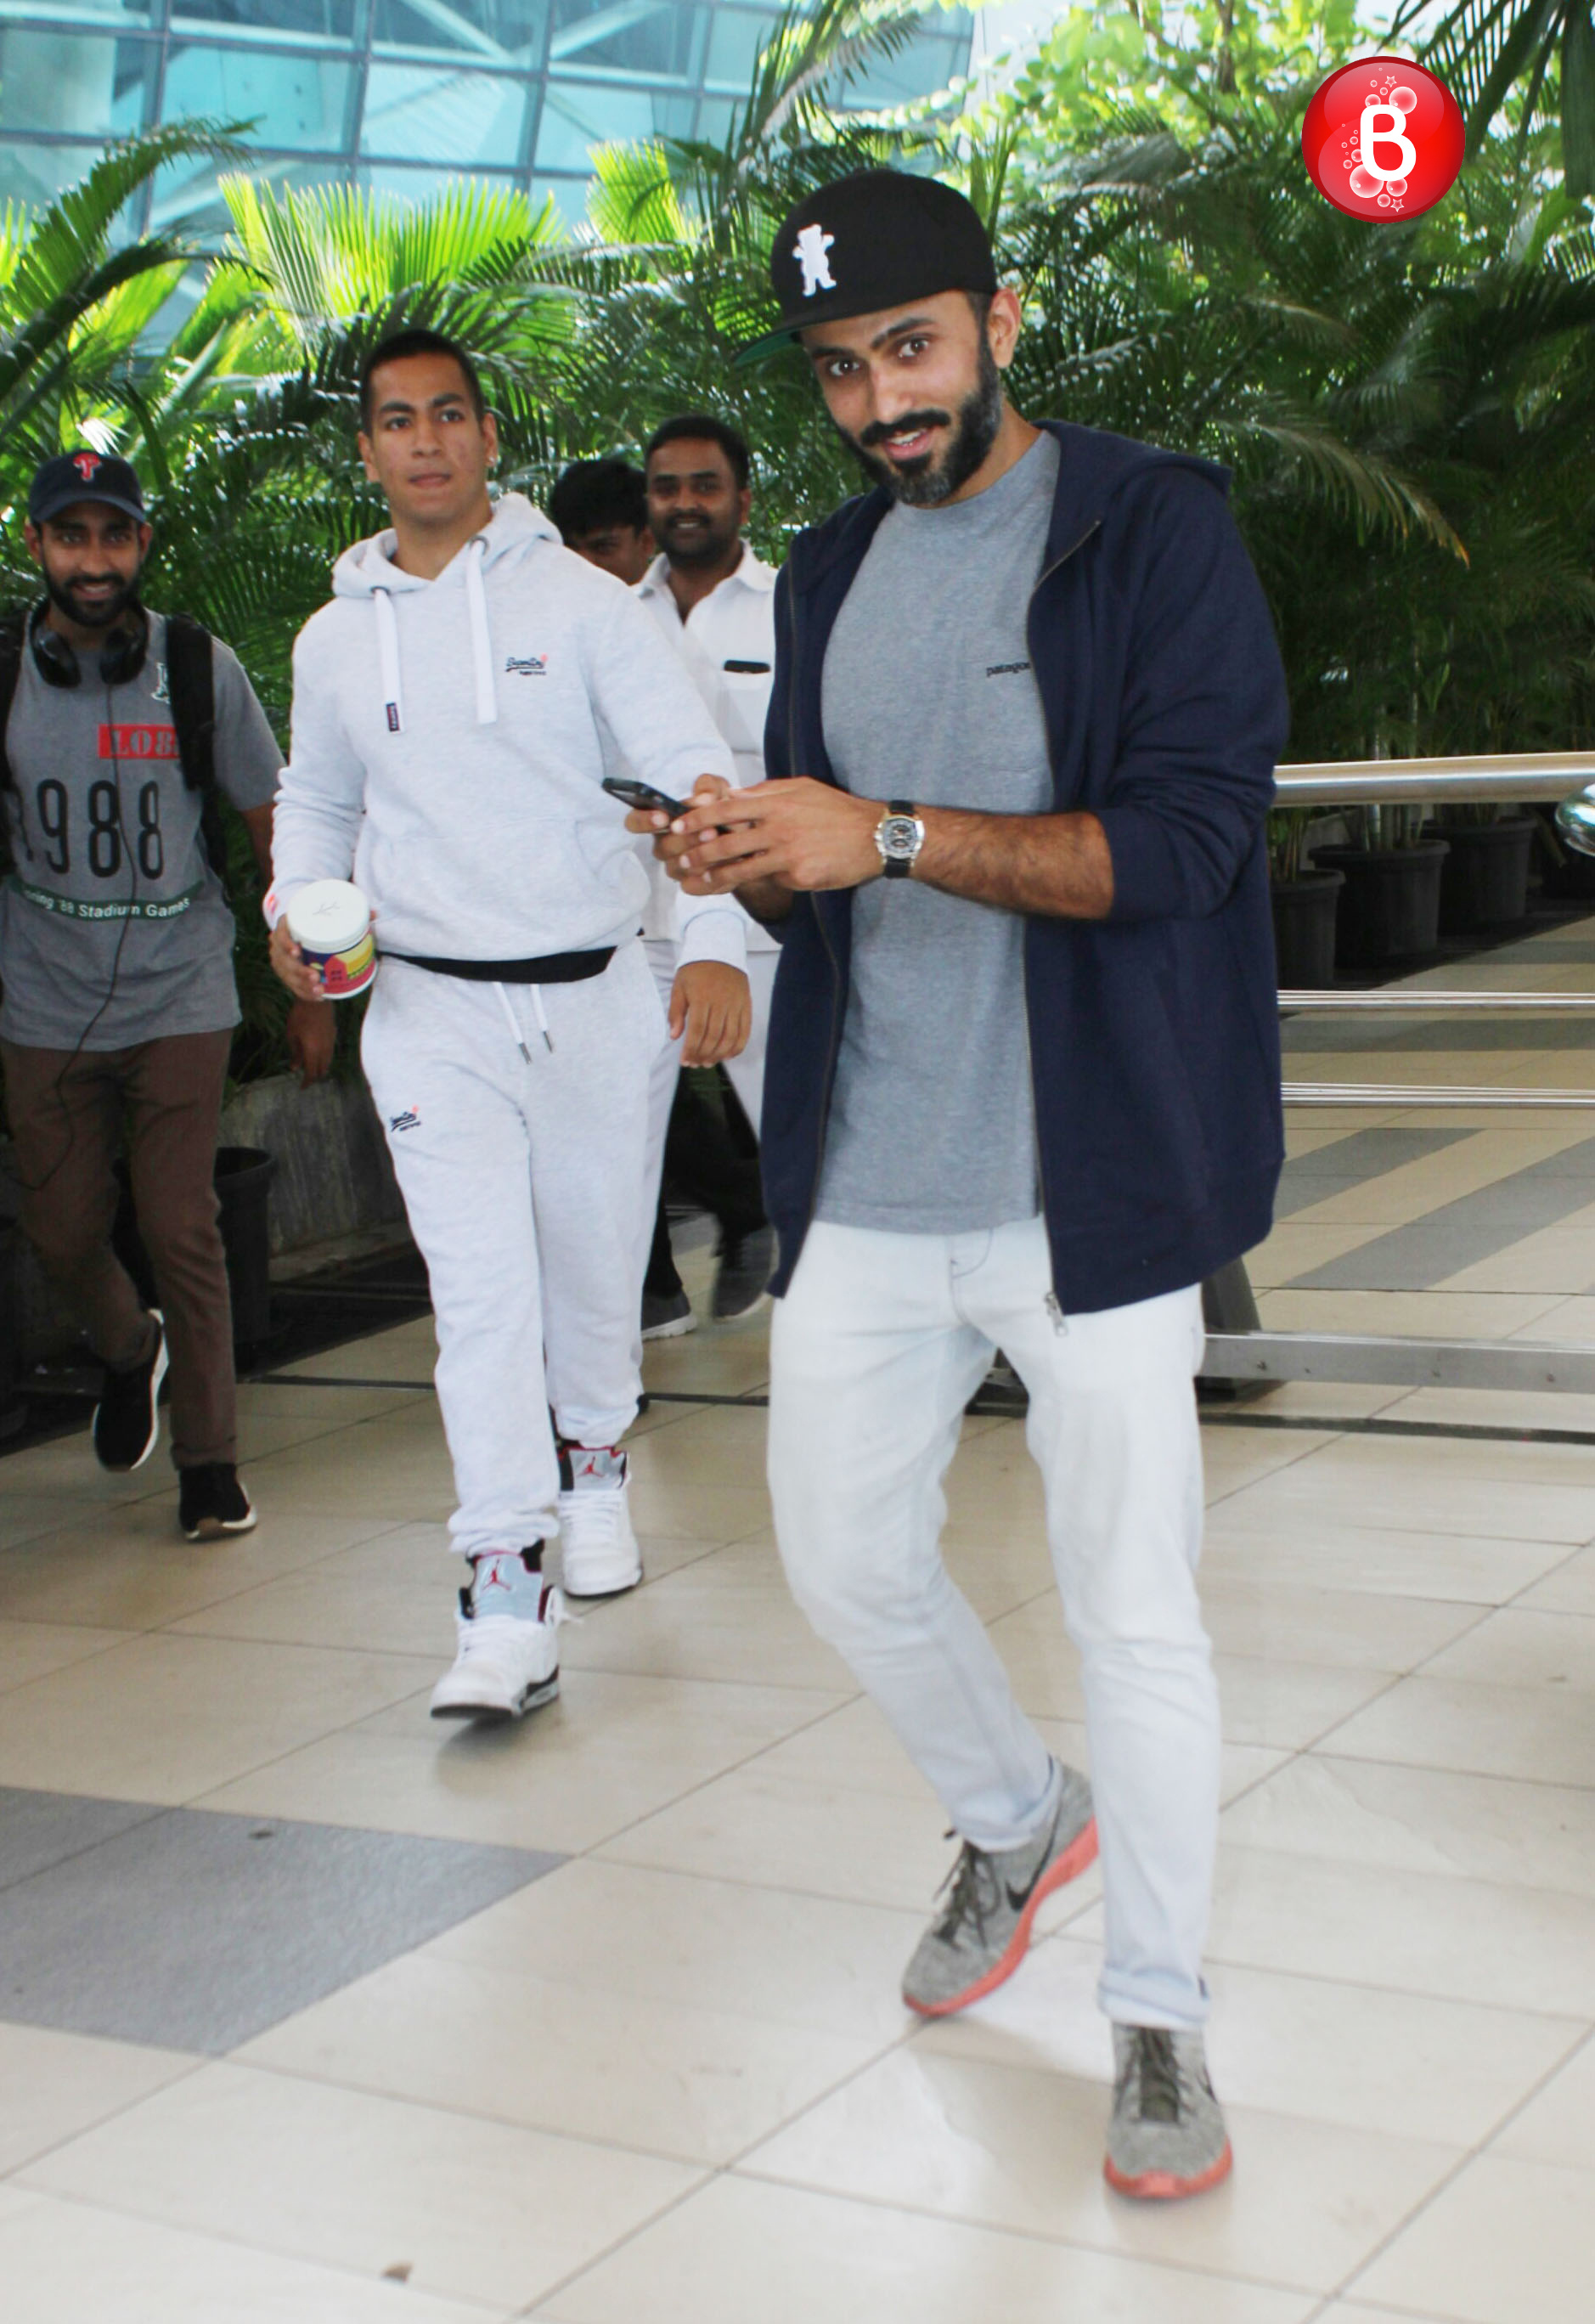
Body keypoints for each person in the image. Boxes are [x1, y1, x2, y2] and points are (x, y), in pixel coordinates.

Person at [642, 172, 1288, 2200]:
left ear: (997, 321)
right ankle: (1016, 1813)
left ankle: (1161, 2011)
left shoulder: (1147, 524)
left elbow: (1181, 843)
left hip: (1091, 1177)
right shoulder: (829, 565)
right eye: (839, 372)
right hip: (875, 1165)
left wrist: (892, 832)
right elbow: (836, 851)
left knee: (1134, 1608)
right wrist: (753, 851)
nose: (880, 403)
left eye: (909, 351)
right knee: (839, 1554)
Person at [269, 329, 748, 1726]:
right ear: (366, 451)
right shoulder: (334, 635)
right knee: (479, 1299)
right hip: (426, 1008)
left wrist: (711, 939)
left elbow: (688, 782)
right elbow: (319, 805)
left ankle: (594, 1461)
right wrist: (297, 914)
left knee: (595, 1266)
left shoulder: (590, 609)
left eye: (447, 416)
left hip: (598, 993)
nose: (423, 440)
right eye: (394, 421)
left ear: (488, 439)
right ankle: (502, 1598)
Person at [0, 450, 329, 1539]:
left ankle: (209, 1462)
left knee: (181, 1220)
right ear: (39, 546)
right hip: (42, 997)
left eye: (113, 536)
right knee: (58, 1226)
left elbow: (269, 818)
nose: (92, 561)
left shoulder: (195, 665)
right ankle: (129, 1346)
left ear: (141, 546)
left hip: (182, 988)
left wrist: (308, 976)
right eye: (71, 537)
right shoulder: (3, 669)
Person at [634, 415, 781, 1328]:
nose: (684, 503)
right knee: (618, 1149)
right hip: (638, 930)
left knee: (804, 1145)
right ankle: (612, 1363)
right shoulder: (608, 612)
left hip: (767, 922)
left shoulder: (795, 605)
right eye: (666, 486)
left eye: (704, 485)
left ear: (742, 498)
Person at [546, 457, 654, 586]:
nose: (584, 564)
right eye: (571, 551)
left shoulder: (678, 603)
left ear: (646, 542)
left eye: (603, 548)